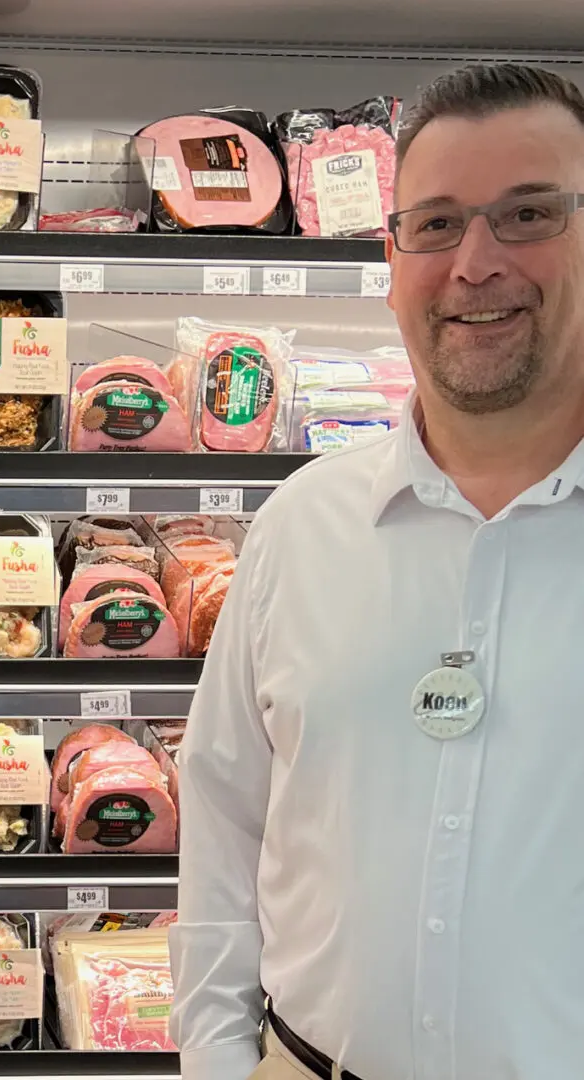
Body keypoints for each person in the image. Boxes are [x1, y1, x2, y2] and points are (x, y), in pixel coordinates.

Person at [170, 63, 584, 1080]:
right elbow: (224, 826)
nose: (474, 263)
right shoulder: (300, 526)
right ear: (392, 252)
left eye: (527, 213)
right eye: (435, 224)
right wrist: (220, 1061)